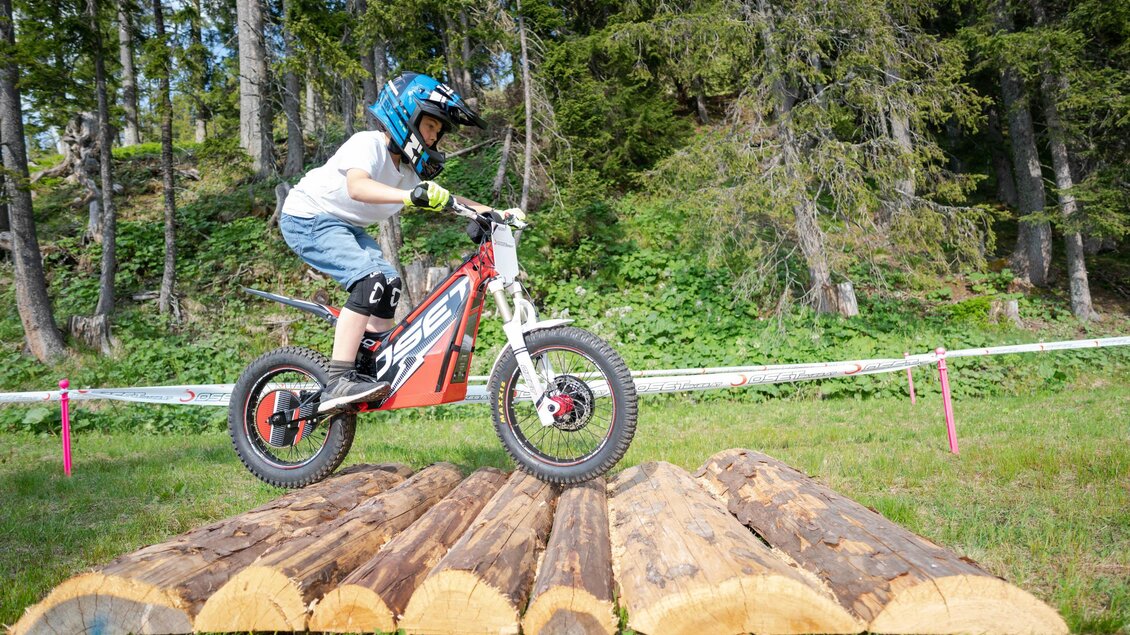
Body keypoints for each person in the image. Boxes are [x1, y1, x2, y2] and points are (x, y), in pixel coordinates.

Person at [279, 72, 523, 413]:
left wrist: (495, 213)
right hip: (308, 219)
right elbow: (357, 188)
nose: (434, 138)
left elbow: (453, 200)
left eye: (437, 133)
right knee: (370, 280)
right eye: (431, 127)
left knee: (390, 284)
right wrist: (411, 196)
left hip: (345, 226)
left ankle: (374, 363)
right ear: (406, 115)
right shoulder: (369, 144)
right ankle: (338, 378)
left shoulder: (407, 172)